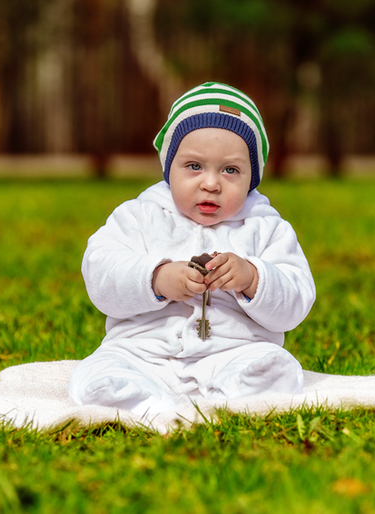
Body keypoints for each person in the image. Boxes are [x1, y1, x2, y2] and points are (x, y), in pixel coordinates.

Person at [68, 82, 316, 420]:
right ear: (169, 167)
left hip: (233, 352)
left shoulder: (266, 228)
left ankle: (245, 388)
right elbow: (101, 274)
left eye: (230, 170)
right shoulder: (139, 217)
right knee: (99, 371)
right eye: (194, 166)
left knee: (275, 367)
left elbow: (297, 299)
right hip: (143, 352)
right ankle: (129, 395)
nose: (211, 183)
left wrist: (253, 277)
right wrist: (156, 279)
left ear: (251, 178)